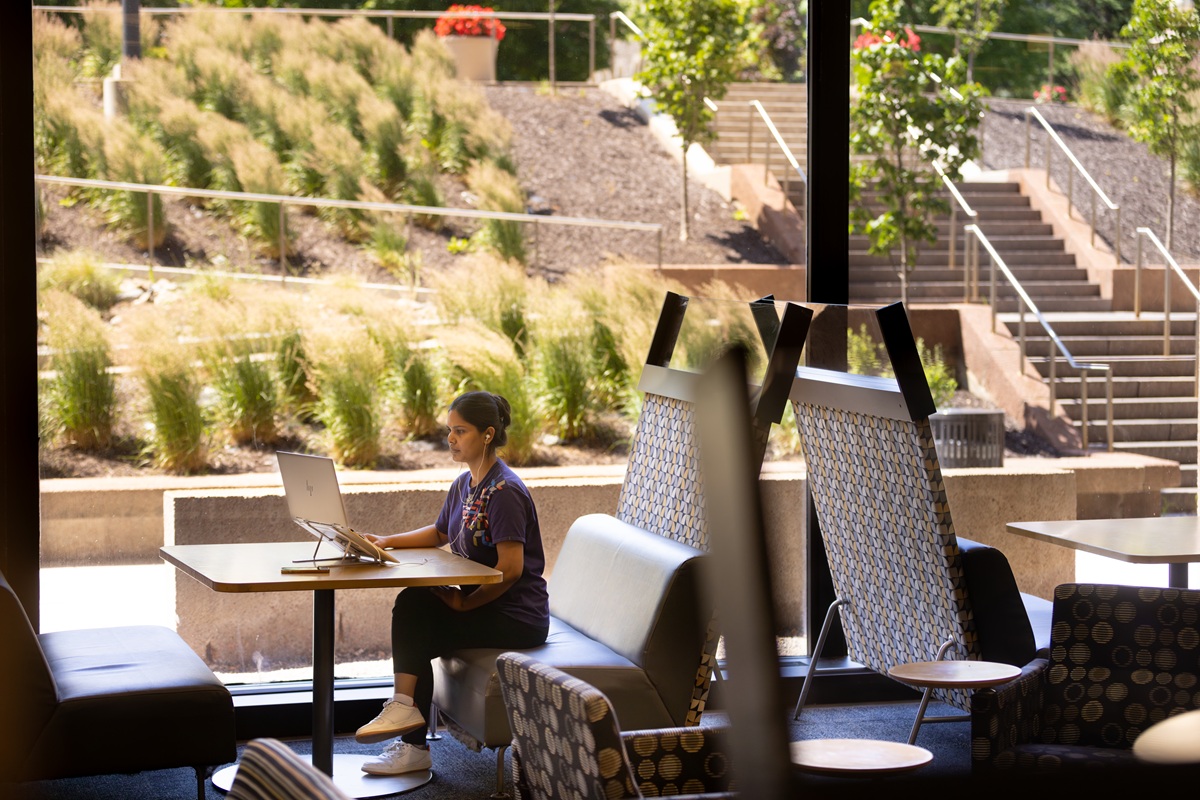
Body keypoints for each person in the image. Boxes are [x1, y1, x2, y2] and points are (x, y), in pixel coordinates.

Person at [353, 391, 549, 776]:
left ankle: (408, 731)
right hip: (488, 604)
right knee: (414, 605)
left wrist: (465, 605)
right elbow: (441, 531)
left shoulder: (503, 492)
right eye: (450, 430)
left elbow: (510, 569)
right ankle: (407, 720)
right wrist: (385, 540)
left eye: (460, 431)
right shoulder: (465, 484)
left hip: (517, 614)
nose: (451, 439)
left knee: (416, 614)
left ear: (488, 434)